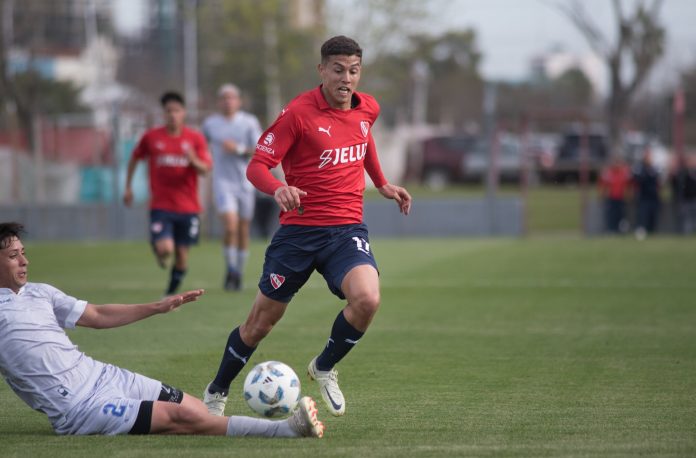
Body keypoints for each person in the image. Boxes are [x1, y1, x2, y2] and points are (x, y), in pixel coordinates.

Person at [202, 35, 412, 418]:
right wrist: (279, 187)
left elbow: (364, 143)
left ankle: (325, 366)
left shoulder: (368, 109)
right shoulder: (298, 113)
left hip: (346, 229)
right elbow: (256, 166)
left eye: (353, 70)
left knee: (368, 299)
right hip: (298, 233)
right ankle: (217, 390)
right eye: (338, 70)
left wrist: (381, 183)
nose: (346, 79)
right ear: (322, 71)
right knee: (259, 325)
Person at [0, 222, 324, 438]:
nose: (24, 261)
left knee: (196, 409)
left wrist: (157, 307)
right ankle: (287, 430)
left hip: (103, 376)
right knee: (179, 418)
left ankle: (257, 428)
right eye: (14, 256)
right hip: (81, 408)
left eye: (24, 253)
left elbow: (96, 314)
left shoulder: (40, 291)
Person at [123, 91, 213, 296]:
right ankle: (159, 247)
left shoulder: (195, 139)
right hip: (161, 205)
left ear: (184, 113)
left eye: (177, 110)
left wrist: (193, 160)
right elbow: (135, 158)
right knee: (166, 249)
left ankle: (170, 294)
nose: (173, 114)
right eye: (168, 111)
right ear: (163, 114)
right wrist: (128, 187)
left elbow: (206, 169)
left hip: (188, 207)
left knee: (182, 256)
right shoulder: (152, 137)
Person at [202, 84, 263, 291]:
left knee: (243, 228)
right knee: (230, 225)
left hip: (245, 182)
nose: (228, 101)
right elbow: (200, 146)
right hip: (222, 183)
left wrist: (237, 148)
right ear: (219, 101)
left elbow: (260, 150)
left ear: (238, 101)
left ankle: (239, 272)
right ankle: (231, 268)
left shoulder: (248, 122)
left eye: (232, 98)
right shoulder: (211, 124)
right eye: (224, 98)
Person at [632, 148, 661, 239]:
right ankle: (641, 231)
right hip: (643, 196)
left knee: (652, 215)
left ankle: (651, 231)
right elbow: (638, 179)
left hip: (653, 196)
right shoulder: (640, 167)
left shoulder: (654, 168)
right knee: (642, 214)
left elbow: (657, 181)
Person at [598, 155, 632, 233]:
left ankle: (621, 230)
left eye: (618, 162)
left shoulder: (624, 173)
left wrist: (629, 195)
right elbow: (603, 185)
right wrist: (601, 195)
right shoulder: (608, 173)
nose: (616, 164)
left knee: (621, 215)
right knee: (611, 215)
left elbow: (629, 184)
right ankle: (611, 229)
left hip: (621, 198)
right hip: (611, 198)